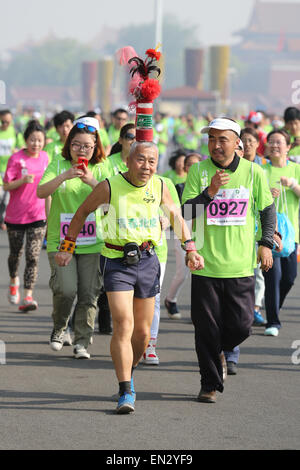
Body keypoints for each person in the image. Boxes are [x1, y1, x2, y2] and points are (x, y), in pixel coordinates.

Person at [55, 140, 204, 414]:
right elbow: (82, 212)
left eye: (151, 161)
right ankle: (125, 389)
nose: (146, 167)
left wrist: (191, 248)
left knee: (143, 334)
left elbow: (176, 216)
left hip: (148, 261)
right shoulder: (109, 186)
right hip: (116, 260)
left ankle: (129, 371)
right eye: (140, 160)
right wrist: (67, 246)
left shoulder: (159, 185)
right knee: (123, 324)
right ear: (128, 161)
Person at [182, 117, 276, 403]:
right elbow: (184, 214)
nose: (216, 145)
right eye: (211, 139)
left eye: (222, 140)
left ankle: (219, 350)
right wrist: (209, 192)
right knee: (205, 328)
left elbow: (267, 211)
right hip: (205, 265)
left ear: (238, 143)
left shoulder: (253, 173)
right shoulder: (198, 171)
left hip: (240, 264)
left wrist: (266, 245)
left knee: (242, 326)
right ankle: (209, 384)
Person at [37, 116, 106, 358]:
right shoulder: (58, 164)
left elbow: (112, 201)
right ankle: (59, 327)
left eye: (87, 146)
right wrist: (65, 176)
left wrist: (91, 181)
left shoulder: (102, 167)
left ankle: (81, 342)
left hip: (93, 241)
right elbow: (40, 191)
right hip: (61, 240)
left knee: (89, 293)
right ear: (69, 144)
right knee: (66, 290)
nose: (81, 150)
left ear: (95, 146)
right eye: (76, 144)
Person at [3, 120, 49, 311]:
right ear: (25, 140)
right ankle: (14, 280)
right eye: (32, 140)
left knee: (33, 256)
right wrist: (22, 180)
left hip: (37, 215)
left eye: (39, 140)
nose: (36, 144)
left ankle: (28, 295)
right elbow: (6, 185)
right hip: (16, 215)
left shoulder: (46, 158)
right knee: (16, 254)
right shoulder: (16, 158)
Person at [262, 129, 300, 337]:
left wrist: (293, 185)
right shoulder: (261, 170)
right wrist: (266, 194)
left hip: (291, 235)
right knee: (272, 277)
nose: (274, 146)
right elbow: (251, 198)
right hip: (269, 233)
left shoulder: (296, 169)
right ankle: (273, 321)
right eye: (271, 142)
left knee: (289, 278)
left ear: (288, 146)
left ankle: (274, 305)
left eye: (279, 142)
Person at [164, 152, 202, 319]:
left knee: (201, 274)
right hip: (182, 233)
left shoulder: (209, 189)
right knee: (183, 272)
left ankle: (199, 312)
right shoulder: (178, 188)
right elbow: (172, 212)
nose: (193, 168)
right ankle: (170, 299)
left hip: (203, 233)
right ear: (185, 168)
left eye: (197, 165)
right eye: (190, 165)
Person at [0, 109, 25, 230]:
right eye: (3, 121)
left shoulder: (15, 132)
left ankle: (3, 220)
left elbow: (23, 148)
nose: (5, 124)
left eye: (8, 122)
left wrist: (17, 151)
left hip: (10, 170)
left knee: (6, 198)